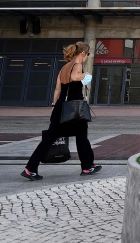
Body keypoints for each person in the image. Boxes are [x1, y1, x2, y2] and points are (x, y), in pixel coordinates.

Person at [21, 41, 102, 180]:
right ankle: (87, 167)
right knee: (81, 136)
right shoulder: (77, 65)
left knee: (52, 137)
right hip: (74, 107)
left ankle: (30, 168)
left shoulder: (63, 67)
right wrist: (86, 75)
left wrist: (54, 106)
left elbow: (58, 89)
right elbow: (74, 77)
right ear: (82, 53)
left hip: (60, 106)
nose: (87, 56)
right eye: (87, 54)